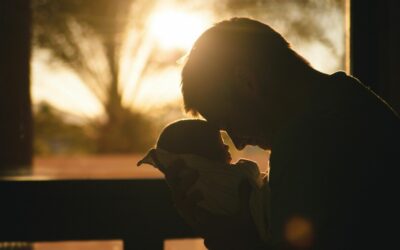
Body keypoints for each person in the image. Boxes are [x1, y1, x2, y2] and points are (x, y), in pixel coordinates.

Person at [163, 17, 400, 250]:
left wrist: (230, 240)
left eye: (228, 123)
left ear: (247, 82)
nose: (237, 143)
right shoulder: (352, 103)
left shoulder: (305, 141)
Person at [137, 119, 270, 242]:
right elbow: (250, 172)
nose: (228, 146)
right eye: (219, 143)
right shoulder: (219, 180)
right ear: (198, 159)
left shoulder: (195, 191)